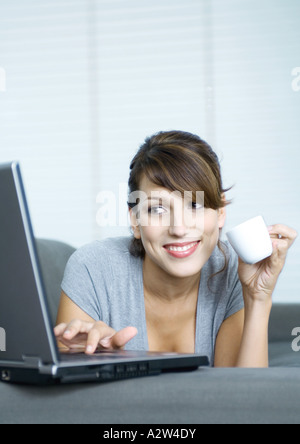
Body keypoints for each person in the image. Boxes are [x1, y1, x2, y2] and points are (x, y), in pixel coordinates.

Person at [54, 131, 297, 367]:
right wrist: (97, 363)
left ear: (220, 212)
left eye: (195, 204)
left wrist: (258, 299)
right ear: (135, 221)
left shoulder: (234, 268)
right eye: (157, 209)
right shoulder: (92, 267)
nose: (179, 228)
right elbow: (69, 402)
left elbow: (243, 398)